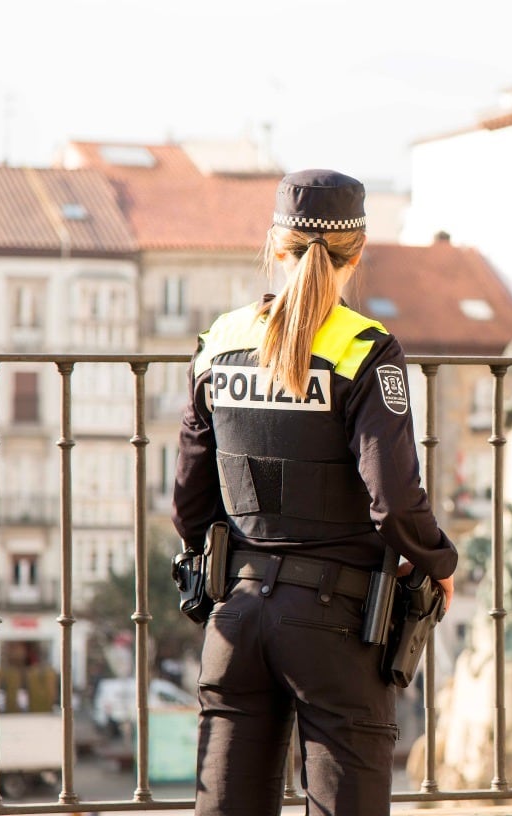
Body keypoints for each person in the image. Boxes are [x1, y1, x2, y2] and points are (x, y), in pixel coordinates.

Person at [173, 169, 458, 815]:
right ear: (358, 253)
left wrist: (219, 564)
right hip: (336, 626)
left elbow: (190, 498)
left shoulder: (219, 342)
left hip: (236, 613)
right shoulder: (365, 350)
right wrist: (439, 563)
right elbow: (391, 496)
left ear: (276, 245)